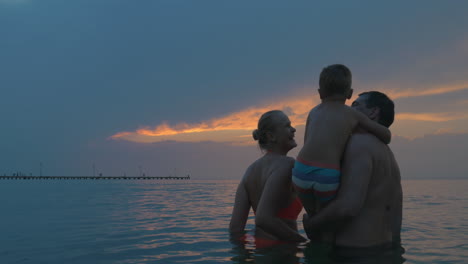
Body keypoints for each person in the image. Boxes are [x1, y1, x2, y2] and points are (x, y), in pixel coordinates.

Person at [303, 91, 403, 253]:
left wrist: (311, 224)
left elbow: (348, 206)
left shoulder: (359, 144)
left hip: (355, 252)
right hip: (386, 249)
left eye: (355, 105)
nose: (348, 111)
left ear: (373, 112)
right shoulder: (388, 155)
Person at [292, 64, 391, 216]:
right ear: (350, 93)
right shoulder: (351, 113)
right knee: (326, 218)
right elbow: (386, 135)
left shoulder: (313, 112)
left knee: (312, 214)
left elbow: (307, 141)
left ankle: (311, 229)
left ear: (320, 93)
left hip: (301, 170)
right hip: (327, 174)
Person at [229, 110, 306, 245]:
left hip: (261, 252)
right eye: (287, 126)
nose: (293, 129)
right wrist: (302, 243)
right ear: (271, 136)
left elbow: (235, 229)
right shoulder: (287, 164)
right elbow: (264, 218)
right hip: (282, 252)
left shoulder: (249, 172)